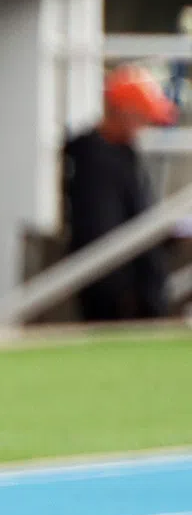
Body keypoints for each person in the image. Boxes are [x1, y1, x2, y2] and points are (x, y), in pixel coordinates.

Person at [64, 63, 177, 322]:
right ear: (124, 113)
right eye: (143, 118)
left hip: (136, 294)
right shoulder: (96, 162)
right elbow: (102, 228)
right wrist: (129, 298)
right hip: (120, 303)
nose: (145, 127)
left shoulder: (121, 155)